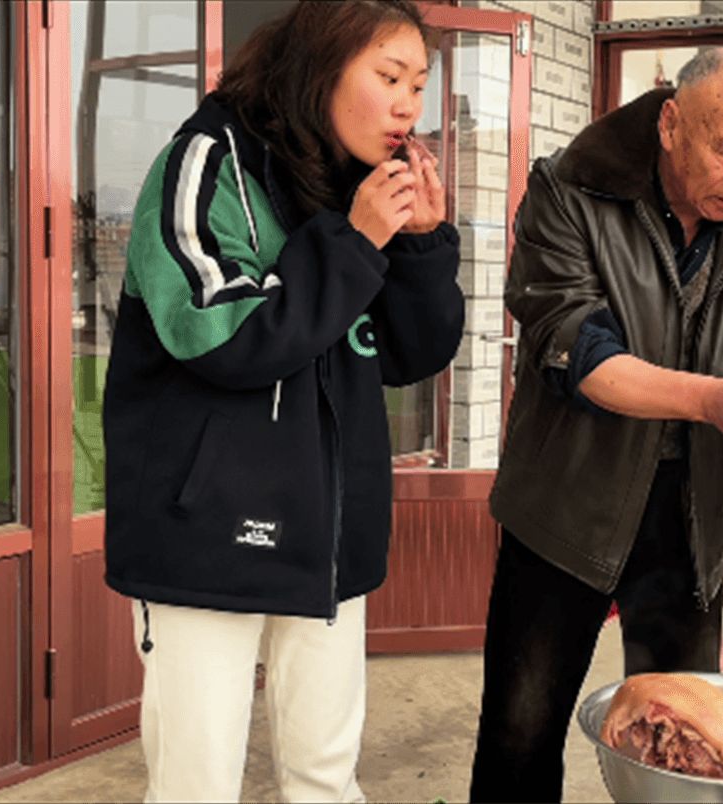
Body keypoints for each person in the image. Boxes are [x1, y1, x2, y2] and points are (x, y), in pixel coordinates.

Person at [101, 2, 464, 800]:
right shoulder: (206, 161)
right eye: (389, 76)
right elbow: (220, 336)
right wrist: (356, 240)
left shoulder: (353, 186)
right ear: (319, 68)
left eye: (419, 82)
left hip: (326, 538)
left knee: (326, 778)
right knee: (197, 784)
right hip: (207, 542)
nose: (410, 104)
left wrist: (422, 247)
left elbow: (412, 354)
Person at [468, 47, 723, 801]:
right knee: (522, 728)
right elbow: (574, 345)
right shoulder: (571, 188)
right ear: (671, 123)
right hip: (566, 503)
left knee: (689, 735)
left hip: (691, 508)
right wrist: (713, 399)